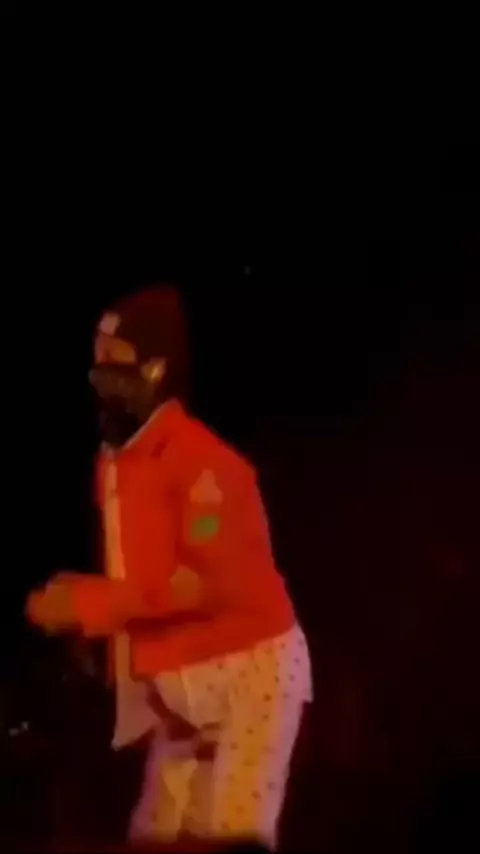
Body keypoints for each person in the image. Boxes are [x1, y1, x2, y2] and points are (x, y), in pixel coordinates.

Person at [27, 285, 313, 850]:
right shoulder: (115, 463)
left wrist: (88, 605)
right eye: (96, 355)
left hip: (249, 676)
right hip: (184, 688)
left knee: (229, 832)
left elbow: (201, 584)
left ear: (154, 370)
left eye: (114, 358)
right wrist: (100, 634)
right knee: (158, 833)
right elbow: (135, 573)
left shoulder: (207, 466)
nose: (99, 372)